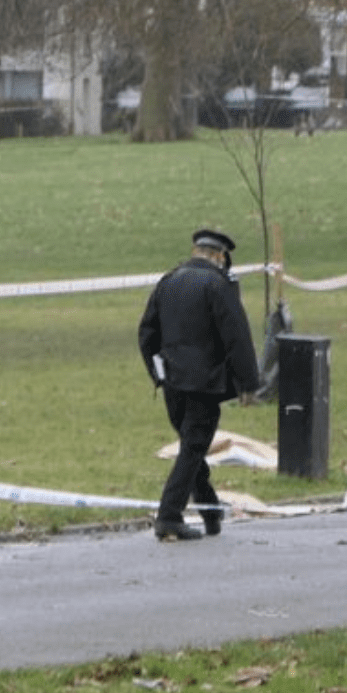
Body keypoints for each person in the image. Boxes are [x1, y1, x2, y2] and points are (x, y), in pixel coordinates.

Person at [138, 228, 261, 541]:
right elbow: (237, 337)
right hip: (204, 384)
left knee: (192, 448)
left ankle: (210, 512)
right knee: (193, 448)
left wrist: (158, 373)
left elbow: (146, 333)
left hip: (172, 383)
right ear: (220, 256)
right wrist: (248, 384)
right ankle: (169, 517)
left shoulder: (168, 281)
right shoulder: (218, 285)